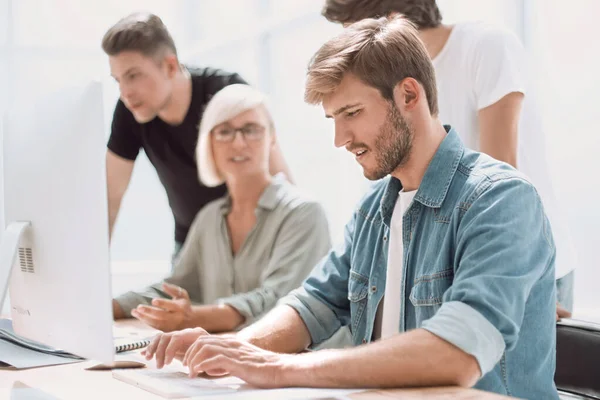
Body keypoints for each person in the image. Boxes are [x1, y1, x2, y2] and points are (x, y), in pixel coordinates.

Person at [141, 17, 559, 399]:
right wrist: (236, 347)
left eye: (352, 113)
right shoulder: (374, 208)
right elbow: (315, 302)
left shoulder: (500, 200)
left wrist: (281, 368)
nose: (341, 139)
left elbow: (457, 352)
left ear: (408, 94)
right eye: (332, 119)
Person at [321, 0, 576, 318]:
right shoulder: (391, 87)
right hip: (455, 261)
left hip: (520, 256)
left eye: (355, 33)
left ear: (391, 21)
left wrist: (515, 278)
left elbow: (500, 176)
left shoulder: (485, 46)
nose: (349, 52)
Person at [112, 84, 331, 333]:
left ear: (272, 138)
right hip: (219, 358)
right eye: (224, 131)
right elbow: (175, 290)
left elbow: (280, 300)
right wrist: (112, 307)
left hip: (287, 363)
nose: (238, 143)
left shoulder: (304, 213)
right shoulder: (209, 218)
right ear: (209, 143)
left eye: (251, 130)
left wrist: (197, 318)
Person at [102, 13, 293, 261]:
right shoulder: (130, 111)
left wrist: (294, 242)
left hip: (252, 242)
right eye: (118, 80)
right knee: (163, 299)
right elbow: (110, 198)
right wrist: (90, 278)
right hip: (190, 243)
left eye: (133, 75)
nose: (125, 92)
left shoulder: (225, 93)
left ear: (170, 66)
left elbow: (279, 179)